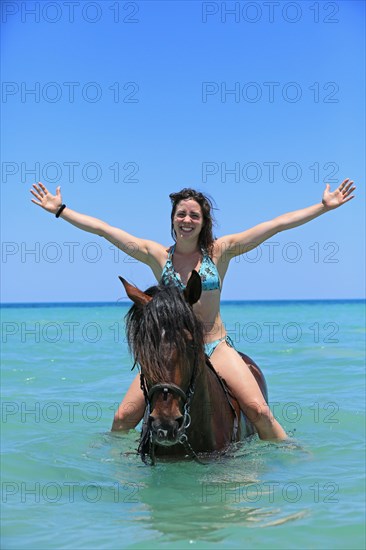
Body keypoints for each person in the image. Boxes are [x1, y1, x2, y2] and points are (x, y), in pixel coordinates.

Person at [30, 179, 355, 441]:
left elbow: (275, 225)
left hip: (214, 346)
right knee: (123, 416)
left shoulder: (221, 251)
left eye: (194, 215)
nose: (187, 220)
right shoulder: (156, 254)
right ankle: (123, 478)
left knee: (258, 410)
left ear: (203, 221)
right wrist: (60, 210)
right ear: (173, 218)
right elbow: (105, 231)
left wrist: (323, 207)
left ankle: (293, 461)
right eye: (181, 214)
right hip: (172, 352)